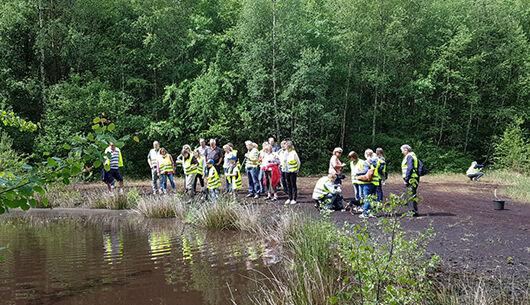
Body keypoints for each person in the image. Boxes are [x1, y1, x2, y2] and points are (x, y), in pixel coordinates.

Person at [355, 149, 379, 218]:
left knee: (367, 198)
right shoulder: (376, 161)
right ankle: (373, 212)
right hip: (375, 182)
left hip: (369, 182)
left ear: (366, 154)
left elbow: (365, 171)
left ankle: (365, 213)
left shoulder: (367, 161)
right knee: (373, 198)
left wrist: (357, 173)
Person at [401, 144, 420, 217]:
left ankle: (412, 212)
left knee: (411, 195)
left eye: (402, 151)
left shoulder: (409, 156)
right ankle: (414, 211)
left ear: (406, 150)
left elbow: (410, 168)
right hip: (414, 177)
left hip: (411, 178)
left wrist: (406, 179)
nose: (402, 152)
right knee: (412, 194)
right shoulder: (413, 155)